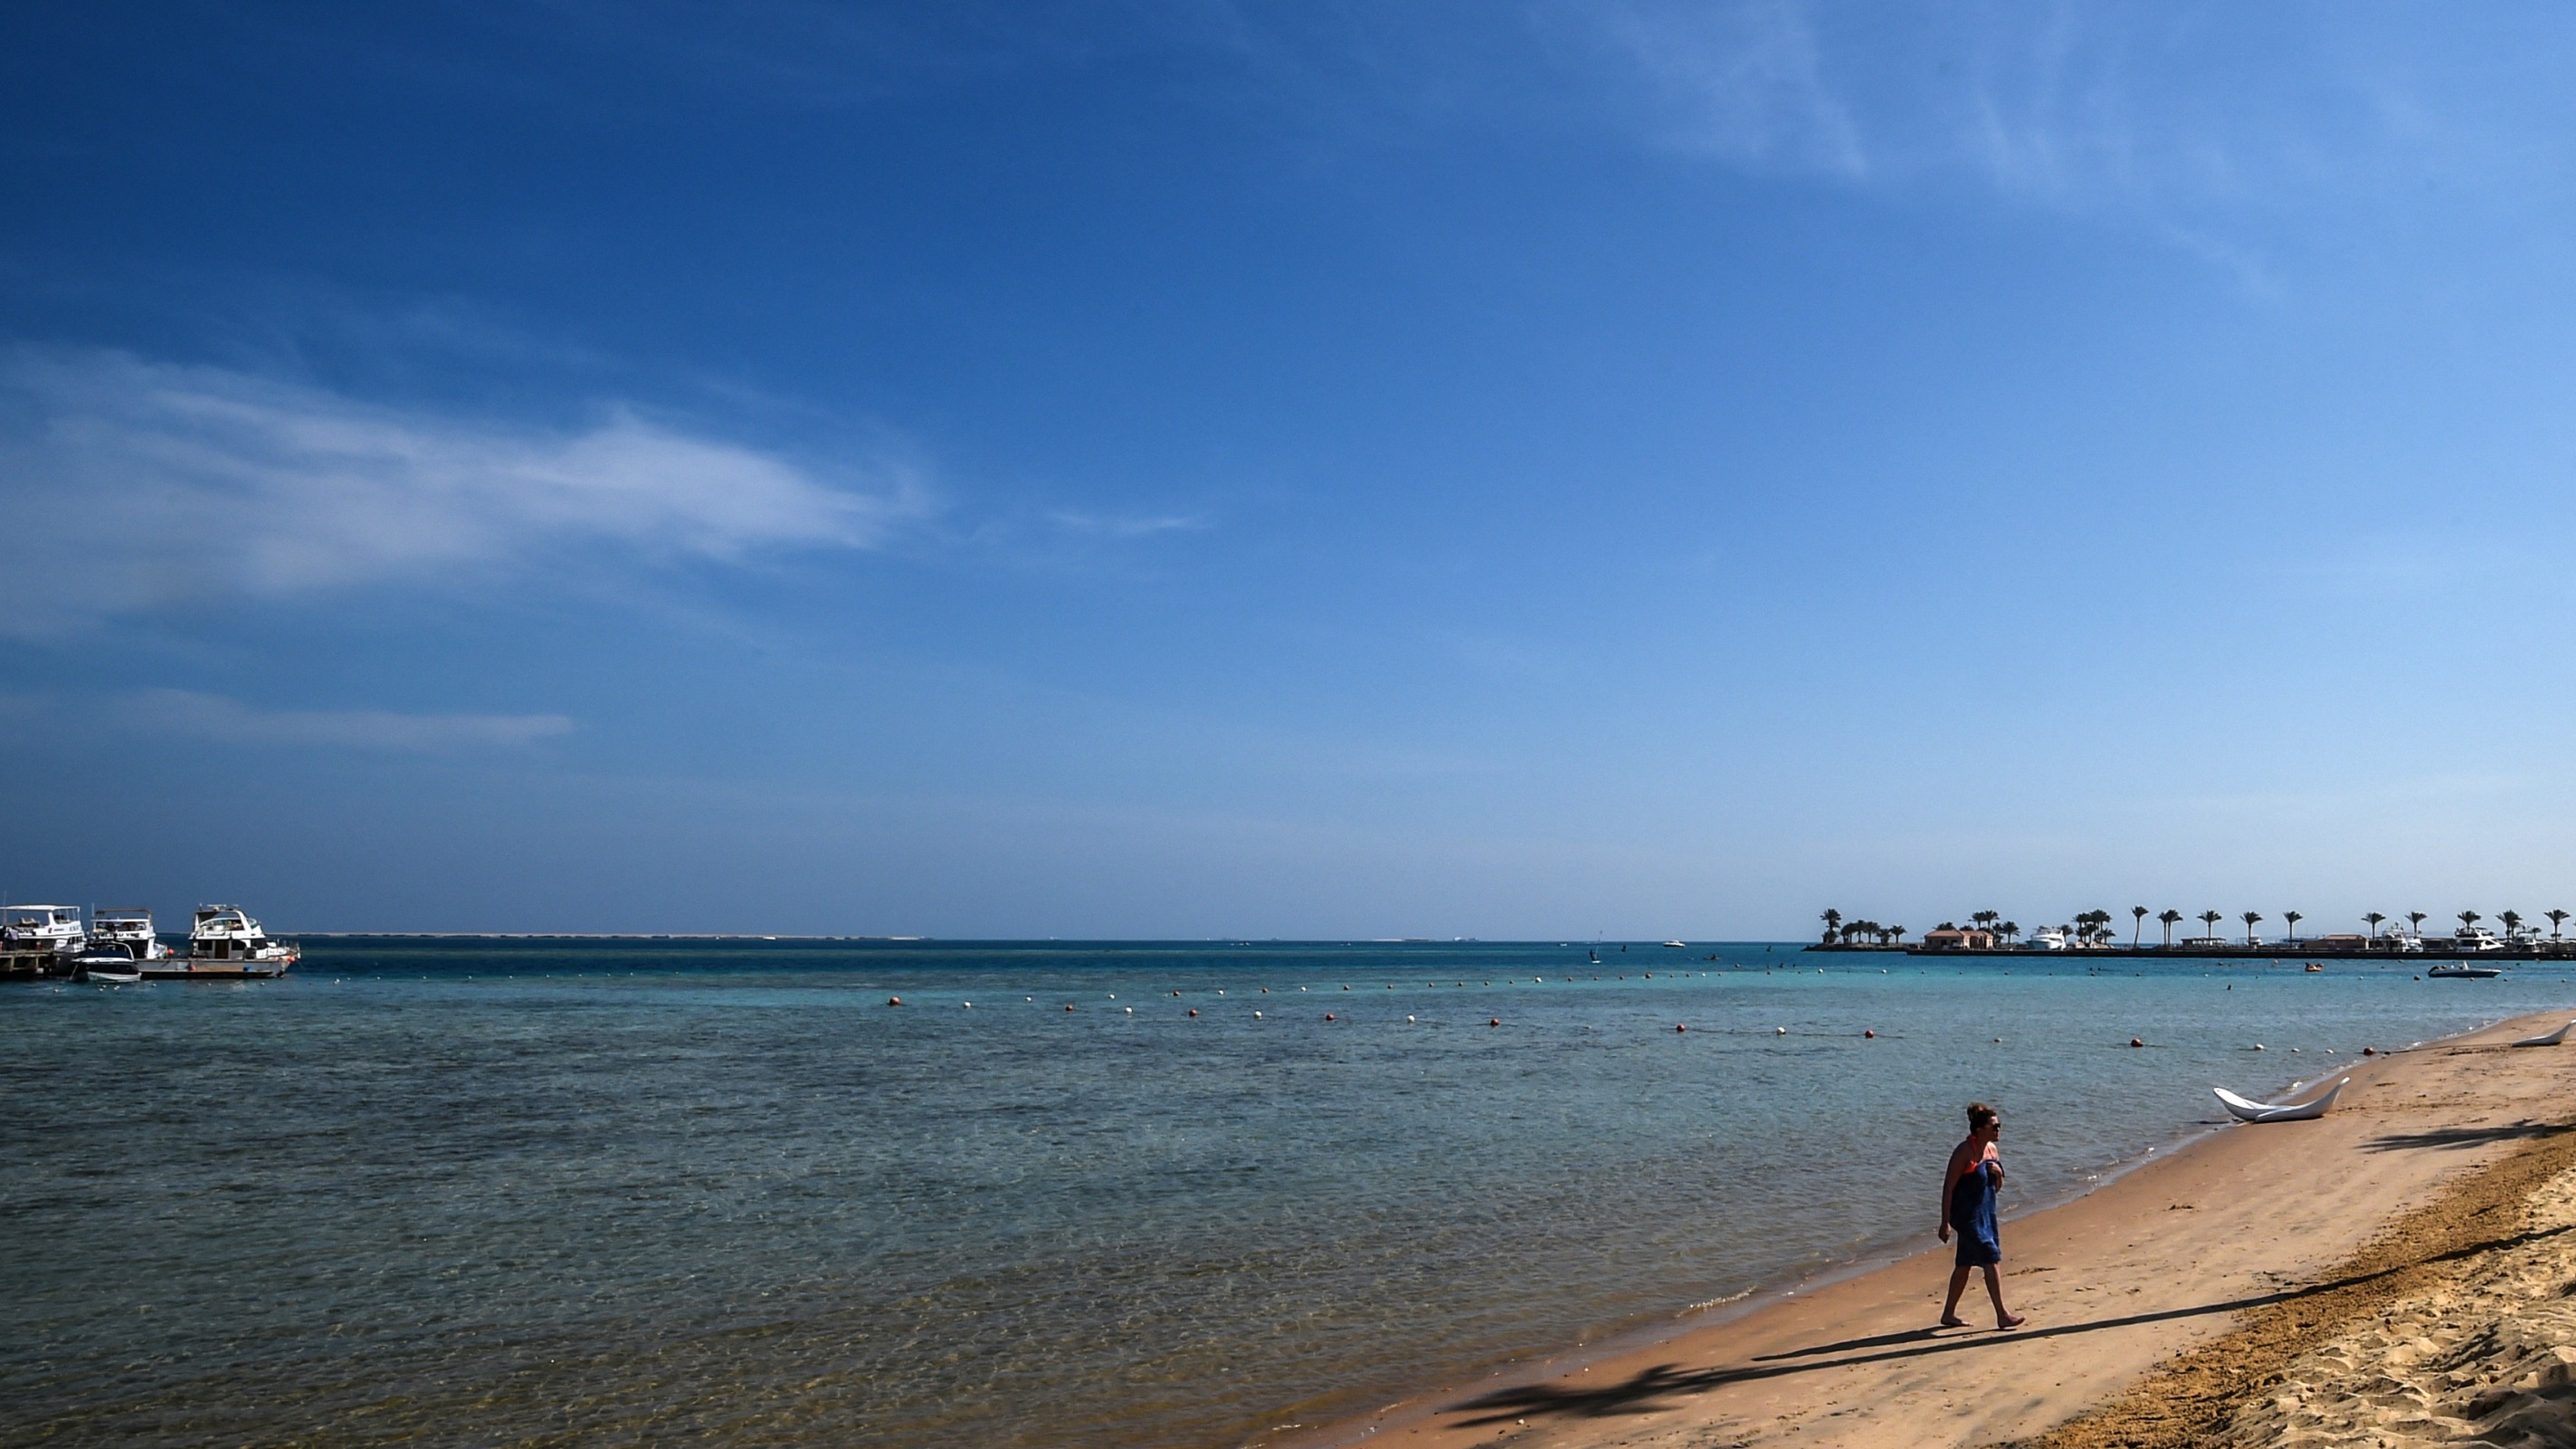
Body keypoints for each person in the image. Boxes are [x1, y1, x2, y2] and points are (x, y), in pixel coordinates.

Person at [1936, 1101, 2025, 1330]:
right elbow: (1948, 1187)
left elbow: (1995, 1187)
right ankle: (2002, 1315)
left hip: (1986, 1213)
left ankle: (1948, 1313)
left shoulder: (1992, 1151)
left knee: (1964, 1263)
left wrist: (1999, 1174)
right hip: (1966, 1216)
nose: (1998, 1131)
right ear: (1979, 1129)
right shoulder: (1964, 1152)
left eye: (1999, 1126)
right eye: (1994, 1126)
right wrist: (1945, 1222)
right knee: (1991, 1256)